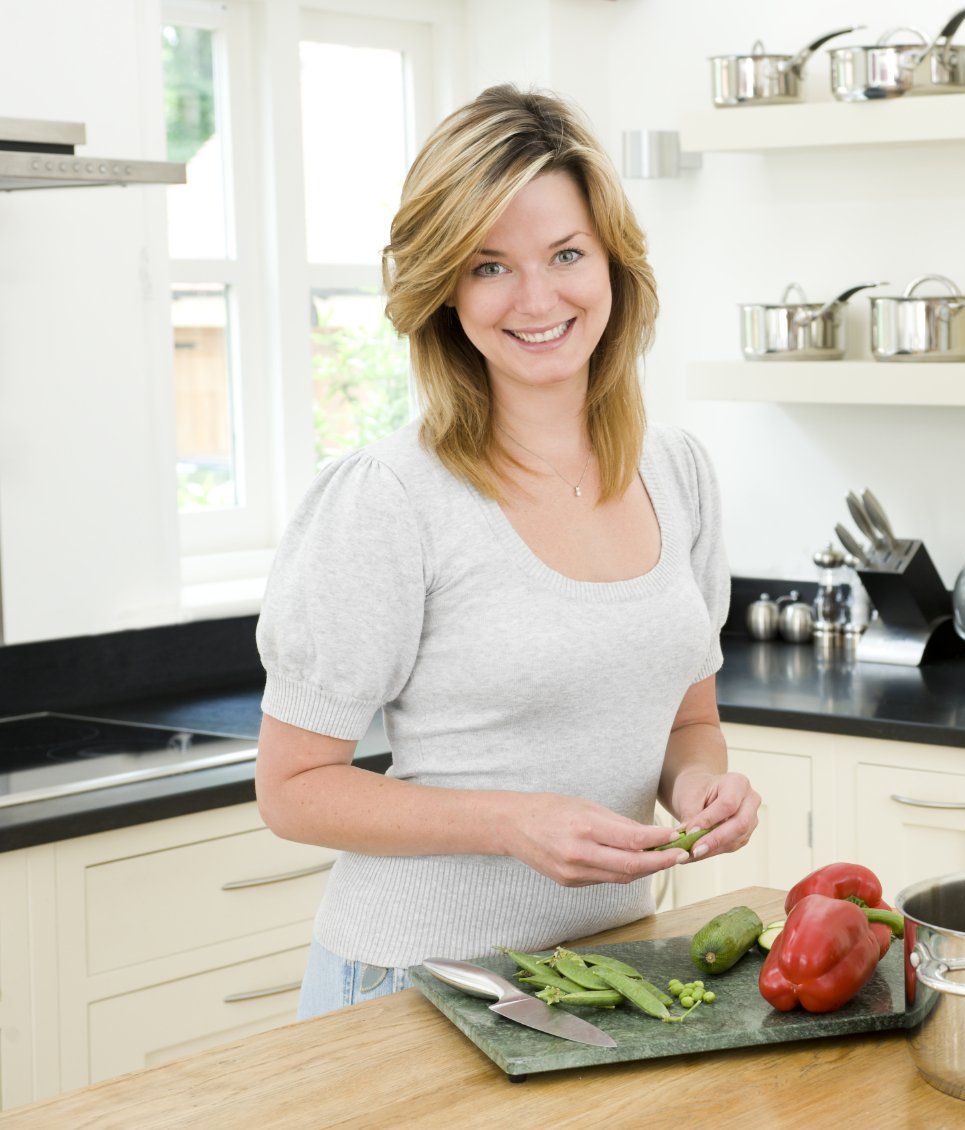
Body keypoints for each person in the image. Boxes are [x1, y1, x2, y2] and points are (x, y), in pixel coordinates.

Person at [254, 85, 756, 1019]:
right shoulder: (390, 497)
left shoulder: (676, 472)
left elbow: (687, 717)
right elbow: (291, 791)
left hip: (608, 973)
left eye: (565, 254)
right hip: (415, 987)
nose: (536, 299)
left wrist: (700, 788)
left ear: (612, 265)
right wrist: (512, 823)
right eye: (490, 266)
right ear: (445, 287)